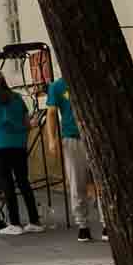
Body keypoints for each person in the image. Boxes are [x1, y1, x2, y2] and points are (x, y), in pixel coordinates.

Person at [0, 73, 43, 236]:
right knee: (23, 182)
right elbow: (26, 123)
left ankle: (14, 223)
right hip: (19, 145)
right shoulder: (17, 98)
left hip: (0, 146)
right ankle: (34, 221)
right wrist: (31, 125)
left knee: (7, 184)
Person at [45, 74, 105, 243]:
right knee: (77, 183)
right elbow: (51, 113)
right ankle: (83, 225)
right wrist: (51, 139)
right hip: (72, 138)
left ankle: (107, 222)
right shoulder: (57, 86)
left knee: (101, 181)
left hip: (95, 136)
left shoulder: (92, 79)